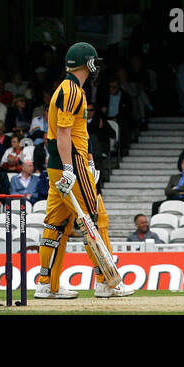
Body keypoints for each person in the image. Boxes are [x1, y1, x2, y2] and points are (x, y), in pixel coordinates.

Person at [35, 41, 133, 300]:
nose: (96, 65)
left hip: (64, 164)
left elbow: (79, 131)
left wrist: (89, 159)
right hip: (70, 164)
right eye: (94, 61)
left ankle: (47, 284)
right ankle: (106, 281)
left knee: (56, 223)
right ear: (86, 63)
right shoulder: (71, 91)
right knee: (95, 218)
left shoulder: (68, 89)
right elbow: (65, 134)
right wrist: (72, 167)